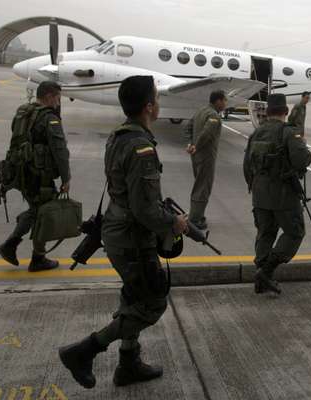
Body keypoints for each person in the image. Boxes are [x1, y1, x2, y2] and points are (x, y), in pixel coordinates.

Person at [58, 76, 188, 389]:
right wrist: (175, 224)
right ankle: (85, 351)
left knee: (133, 296)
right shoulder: (141, 146)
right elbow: (144, 209)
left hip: (118, 229)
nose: (158, 103)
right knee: (152, 304)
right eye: (156, 98)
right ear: (148, 106)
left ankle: (128, 363)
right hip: (131, 237)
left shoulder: (119, 136)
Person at [0, 81, 70, 272]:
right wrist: (66, 178)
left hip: (20, 172)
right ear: (49, 96)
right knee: (45, 214)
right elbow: (60, 150)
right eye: (57, 98)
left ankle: (13, 244)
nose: (58, 102)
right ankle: (36, 258)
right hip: (38, 175)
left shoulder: (22, 112)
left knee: (37, 209)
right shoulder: (49, 118)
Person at [243, 93, 311, 294]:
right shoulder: (289, 132)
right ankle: (266, 271)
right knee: (294, 232)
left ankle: (262, 279)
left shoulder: (257, 133)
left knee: (265, 233)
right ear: (285, 111)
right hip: (283, 194)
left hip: (259, 193)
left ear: (268, 111)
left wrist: (254, 187)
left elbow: (247, 166)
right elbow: (302, 160)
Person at [184, 90, 228, 229]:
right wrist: (196, 145)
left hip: (196, 156)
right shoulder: (213, 116)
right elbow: (207, 134)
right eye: (225, 101)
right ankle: (195, 219)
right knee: (203, 187)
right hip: (206, 156)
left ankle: (197, 214)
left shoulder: (201, 111)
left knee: (199, 185)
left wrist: (190, 144)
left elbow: (188, 128)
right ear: (219, 101)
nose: (225, 104)